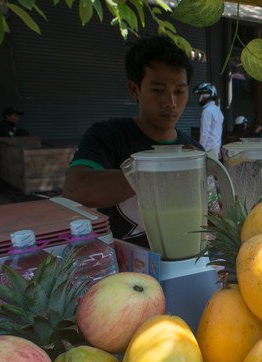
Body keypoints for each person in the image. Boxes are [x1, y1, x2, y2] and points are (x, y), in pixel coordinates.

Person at [62, 35, 201, 247]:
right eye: (158, 90)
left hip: (180, 261)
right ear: (134, 89)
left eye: (179, 91)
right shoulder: (108, 135)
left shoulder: (194, 152)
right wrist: (158, 169)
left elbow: (211, 217)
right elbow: (75, 190)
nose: (171, 102)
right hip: (118, 262)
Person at [193, 82, 224, 160]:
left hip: (208, 151)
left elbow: (205, 133)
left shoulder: (207, 111)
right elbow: (218, 133)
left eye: (200, 95)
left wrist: (201, 149)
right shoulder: (217, 110)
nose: (199, 98)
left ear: (205, 95)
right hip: (215, 150)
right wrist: (218, 149)